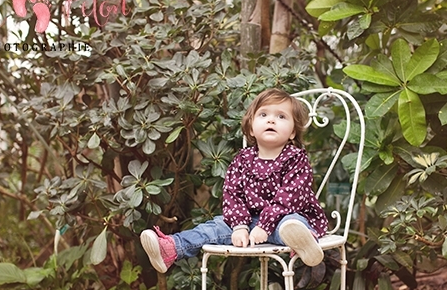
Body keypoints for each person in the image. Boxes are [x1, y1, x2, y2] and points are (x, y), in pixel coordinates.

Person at [140, 88, 327, 273]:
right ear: (251, 128)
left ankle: (302, 241)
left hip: (283, 219)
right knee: (214, 227)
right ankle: (171, 248)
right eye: (263, 114)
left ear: (293, 132)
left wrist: (265, 225)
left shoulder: (296, 158)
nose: (271, 120)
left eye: (281, 117)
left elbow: (290, 197)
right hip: (249, 222)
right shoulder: (243, 159)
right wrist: (239, 226)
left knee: (292, 224)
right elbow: (232, 194)